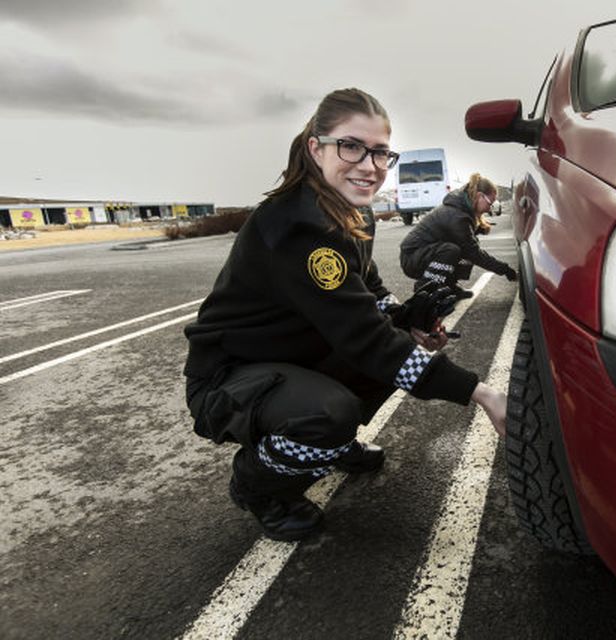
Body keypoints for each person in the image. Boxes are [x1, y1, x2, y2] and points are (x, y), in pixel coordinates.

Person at [182, 88, 507, 542]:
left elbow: (367, 292)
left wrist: (404, 317)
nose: (369, 165)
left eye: (379, 152)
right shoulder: (299, 226)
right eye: (350, 146)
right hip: (229, 377)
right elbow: (365, 340)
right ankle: (258, 484)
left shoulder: (353, 213)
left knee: (392, 342)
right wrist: (480, 392)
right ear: (316, 148)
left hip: (290, 358)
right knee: (331, 412)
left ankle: (328, 444)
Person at [399, 173, 517, 299]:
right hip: (412, 258)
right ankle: (424, 288)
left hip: (421, 254)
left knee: (459, 250)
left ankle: (449, 286)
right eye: (490, 204)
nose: (489, 209)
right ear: (479, 196)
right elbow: (474, 253)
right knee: (454, 250)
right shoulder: (457, 216)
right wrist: (506, 270)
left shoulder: (462, 210)